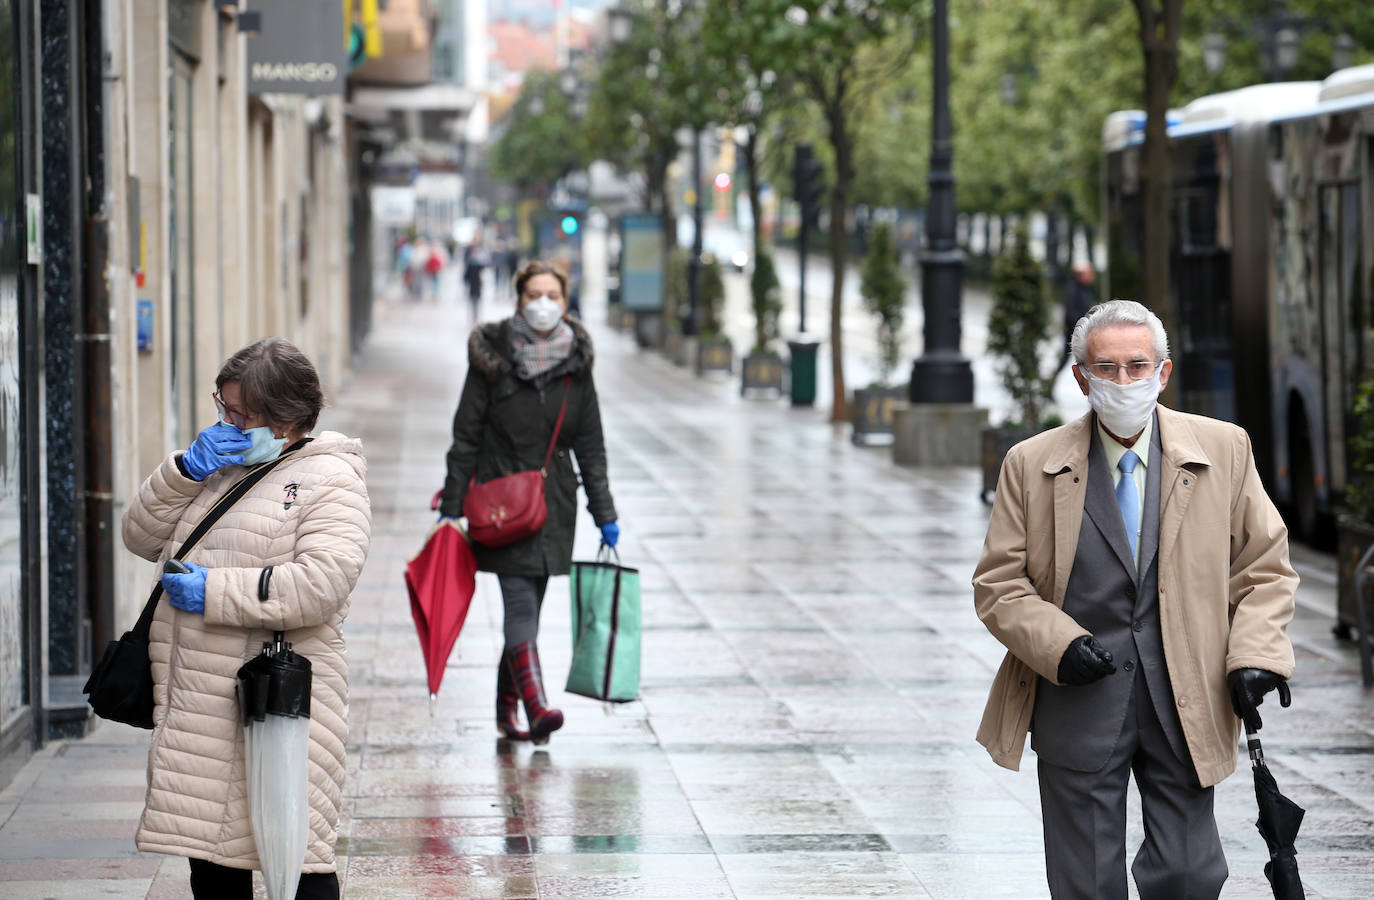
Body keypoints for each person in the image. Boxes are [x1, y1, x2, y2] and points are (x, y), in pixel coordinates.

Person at [972, 299, 1298, 900]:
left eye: (1137, 366)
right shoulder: (1030, 463)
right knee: (1086, 882)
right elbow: (999, 585)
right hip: (1078, 702)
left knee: (1188, 874)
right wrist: (1060, 644)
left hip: (1186, 698)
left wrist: (1255, 654)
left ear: (1163, 372)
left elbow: (1265, 568)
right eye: (1107, 368)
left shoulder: (1223, 449)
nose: (1124, 381)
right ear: (1081, 378)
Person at [122, 338, 371, 900]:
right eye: (223, 408)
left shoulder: (330, 478)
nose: (228, 422)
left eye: (241, 413)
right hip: (198, 702)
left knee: (295, 855)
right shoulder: (219, 467)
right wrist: (185, 469)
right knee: (211, 858)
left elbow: (323, 582)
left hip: (274, 700)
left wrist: (216, 591)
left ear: (283, 420)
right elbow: (139, 534)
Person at [437, 260, 617, 745]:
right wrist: (452, 504)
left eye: (552, 295)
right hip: (500, 504)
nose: (543, 303)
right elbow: (465, 435)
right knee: (519, 606)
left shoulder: (577, 364)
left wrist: (606, 515)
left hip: (553, 505)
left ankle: (504, 711)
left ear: (565, 300)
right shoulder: (491, 357)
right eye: (533, 294)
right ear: (518, 300)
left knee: (528, 613)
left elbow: (591, 447)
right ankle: (537, 708)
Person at [1053, 260, 1097, 381]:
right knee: (1068, 358)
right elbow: (1071, 313)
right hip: (1074, 332)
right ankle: (1049, 386)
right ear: (1081, 275)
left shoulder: (1085, 289)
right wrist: (1082, 326)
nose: (1092, 276)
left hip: (1081, 331)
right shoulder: (1073, 289)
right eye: (1089, 273)